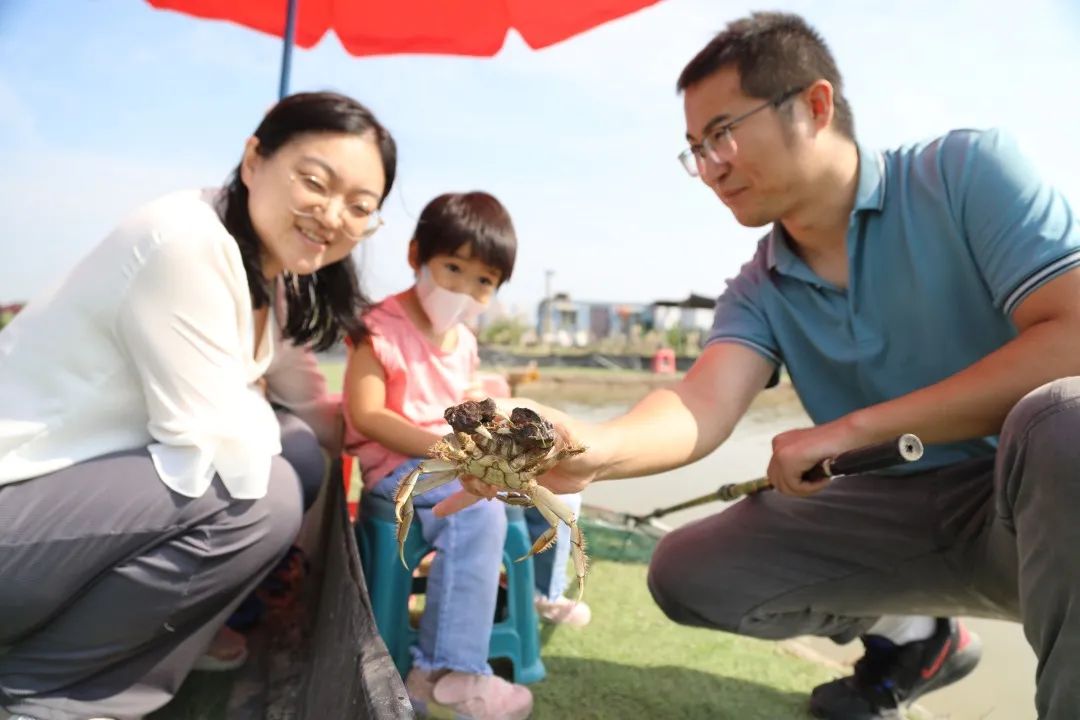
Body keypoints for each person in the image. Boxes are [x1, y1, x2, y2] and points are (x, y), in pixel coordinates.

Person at [438, 11, 1080, 720]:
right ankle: (914, 634)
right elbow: (699, 403)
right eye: (694, 148)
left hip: (1031, 508)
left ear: (814, 105)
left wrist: (855, 428)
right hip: (894, 510)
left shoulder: (964, 173)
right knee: (688, 572)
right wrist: (592, 447)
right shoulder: (758, 286)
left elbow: (1074, 334)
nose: (709, 167)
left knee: (1064, 422)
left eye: (722, 134)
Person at [0, 91, 397, 720]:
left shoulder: (270, 274)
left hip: (64, 502)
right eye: (314, 182)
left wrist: (413, 429)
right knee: (257, 500)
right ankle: (44, 695)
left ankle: (159, 636)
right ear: (253, 161)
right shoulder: (185, 241)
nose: (331, 215)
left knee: (297, 450)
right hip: (18, 504)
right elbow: (216, 443)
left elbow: (310, 410)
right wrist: (257, 405)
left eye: (359, 206)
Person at [345, 191, 550, 720]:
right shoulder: (377, 328)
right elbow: (367, 416)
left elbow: (471, 407)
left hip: (453, 465)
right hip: (398, 471)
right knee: (475, 508)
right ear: (416, 256)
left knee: (535, 493)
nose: (464, 288)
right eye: (453, 267)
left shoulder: (462, 340)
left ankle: (534, 603)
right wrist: (444, 449)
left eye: (483, 280)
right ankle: (446, 670)